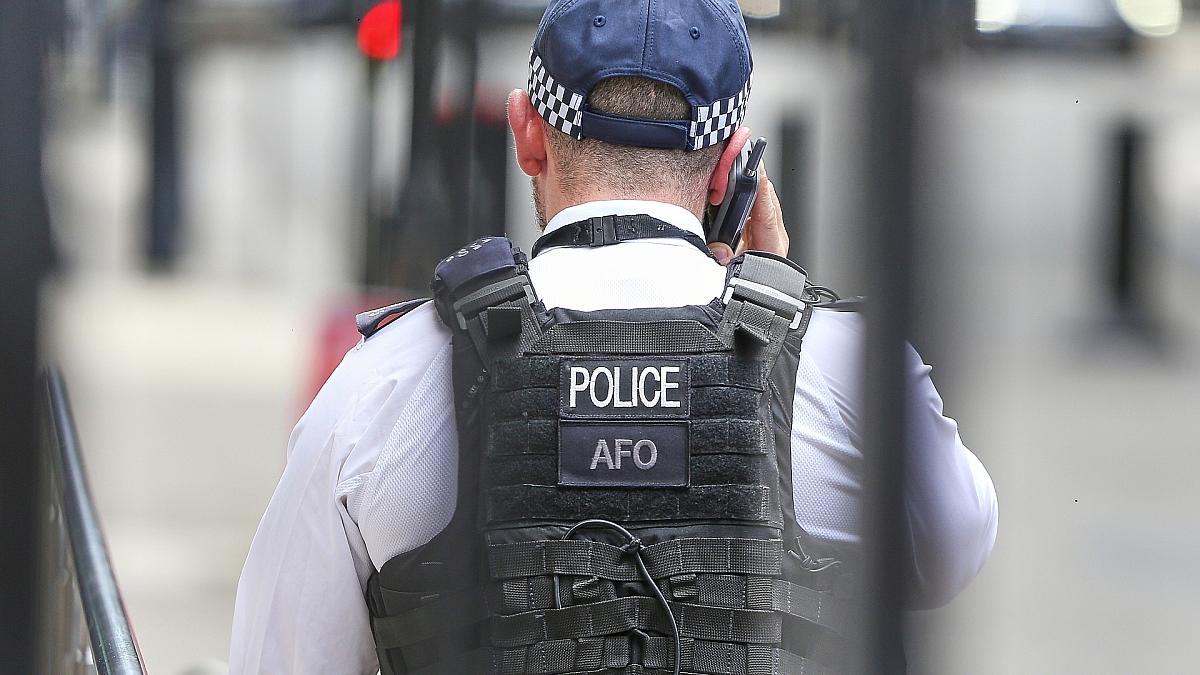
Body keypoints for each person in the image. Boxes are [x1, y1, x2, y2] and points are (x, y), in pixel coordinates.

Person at [229, 1, 998, 672]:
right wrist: (783, 303)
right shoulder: (851, 373)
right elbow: (953, 552)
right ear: (732, 169)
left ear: (527, 134)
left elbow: (281, 653)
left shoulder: (384, 386)